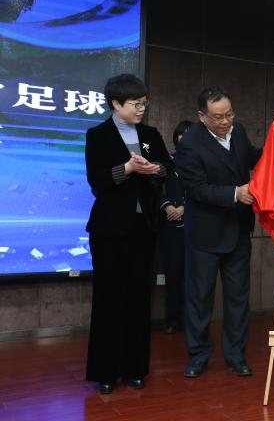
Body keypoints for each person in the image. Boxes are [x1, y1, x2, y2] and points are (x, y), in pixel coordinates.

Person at [84, 74, 170, 394]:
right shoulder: (98, 135)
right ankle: (106, 372)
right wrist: (128, 169)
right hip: (109, 229)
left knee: (138, 298)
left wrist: (155, 169)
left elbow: (168, 166)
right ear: (116, 104)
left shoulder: (149, 134)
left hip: (143, 226)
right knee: (109, 298)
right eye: (136, 104)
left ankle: (135, 368)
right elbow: (97, 180)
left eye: (144, 103)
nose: (141, 109)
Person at [174, 87, 262, 379]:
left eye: (229, 114)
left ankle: (236, 355)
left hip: (238, 230)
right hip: (205, 234)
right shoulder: (190, 144)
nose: (225, 121)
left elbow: (253, 157)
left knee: (238, 298)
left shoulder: (239, 132)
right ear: (202, 116)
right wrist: (235, 193)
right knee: (200, 298)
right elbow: (197, 189)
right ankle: (199, 354)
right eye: (218, 117)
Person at [159, 120, 192, 334]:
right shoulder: (167, 162)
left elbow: (203, 190)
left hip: (193, 227)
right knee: (172, 274)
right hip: (169, 227)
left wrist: (184, 208)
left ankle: (190, 321)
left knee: (192, 277)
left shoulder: (200, 163)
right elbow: (154, 188)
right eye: (182, 134)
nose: (185, 138)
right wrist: (167, 206)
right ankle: (172, 320)